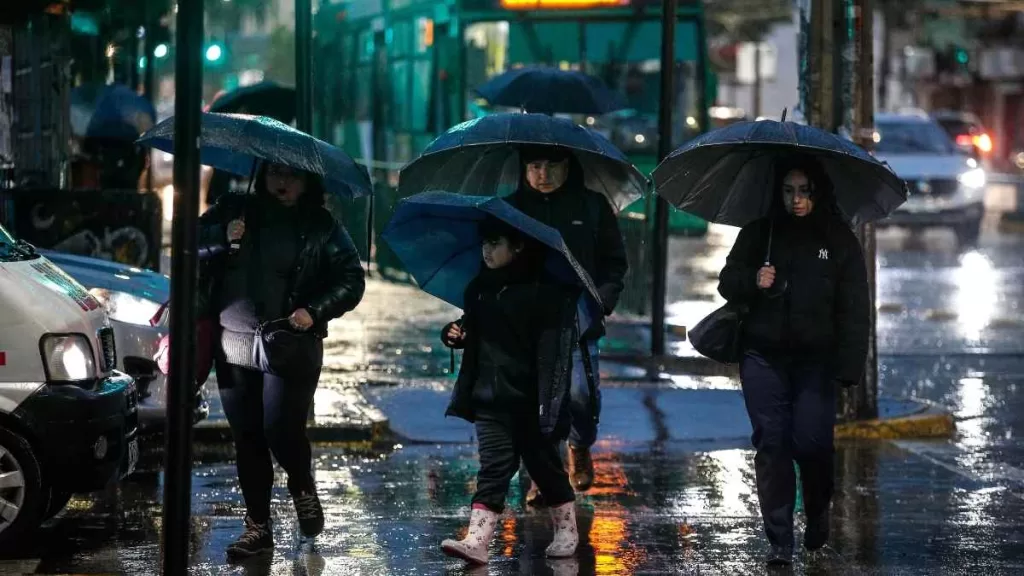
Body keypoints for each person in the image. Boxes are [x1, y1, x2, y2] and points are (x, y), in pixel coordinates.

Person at [196, 161, 366, 560]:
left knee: (280, 430)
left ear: (308, 181)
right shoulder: (233, 209)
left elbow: (351, 279)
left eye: (292, 174)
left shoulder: (321, 225)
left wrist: (315, 310)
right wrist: (222, 236)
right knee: (248, 437)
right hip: (234, 342)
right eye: (274, 173)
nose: (282, 182)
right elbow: (190, 244)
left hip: (289, 344)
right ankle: (257, 528)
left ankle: (302, 483)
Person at [717, 156, 870, 566]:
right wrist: (753, 280)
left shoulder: (838, 239)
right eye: (788, 191)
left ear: (818, 192)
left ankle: (818, 510)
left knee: (813, 444)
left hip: (815, 361)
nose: (796, 200)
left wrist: (849, 366)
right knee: (772, 443)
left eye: (804, 191)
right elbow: (726, 282)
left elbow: (855, 309)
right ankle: (779, 538)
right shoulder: (758, 233)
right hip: (763, 355)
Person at [439, 217, 581, 566]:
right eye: (484, 244)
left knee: (545, 468)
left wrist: (550, 402)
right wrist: (454, 333)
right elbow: (470, 327)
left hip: (531, 401)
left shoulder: (543, 293)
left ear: (516, 247)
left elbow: (551, 353)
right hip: (489, 397)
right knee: (493, 468)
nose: (487, 251)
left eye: (495, 244)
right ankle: (477, 541)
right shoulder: (479, 289)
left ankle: (567, 530)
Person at [506, 144, 628, 496]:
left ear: (567, 166)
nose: (542, 175)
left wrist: (602, 299)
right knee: (536, 400)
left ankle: (579, 445)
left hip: (579, 314)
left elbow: (614, 260)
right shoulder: (512, 209)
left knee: (580, 393)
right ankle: (545, 476)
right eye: (534, 166)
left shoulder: (591, 206)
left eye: (551, 166)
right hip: (528, 318)